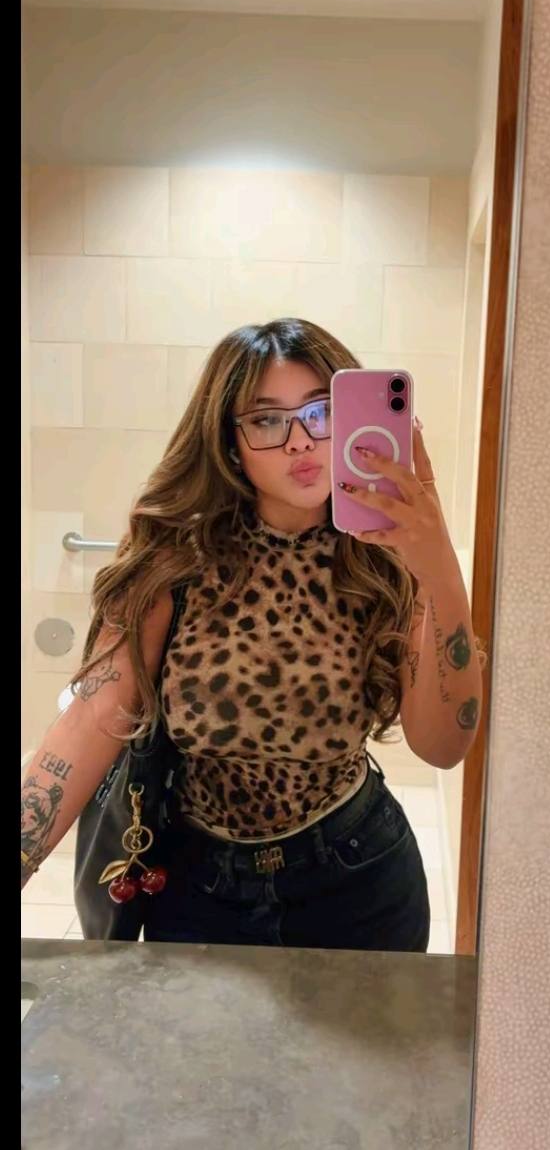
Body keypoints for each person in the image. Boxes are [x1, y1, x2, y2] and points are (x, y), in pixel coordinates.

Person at [21, 319, 484, 952]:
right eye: (267, 420)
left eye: (322, 412)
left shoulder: (385, 556)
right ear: (230, 441)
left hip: (358, 881)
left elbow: (443, 746)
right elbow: (91, 719)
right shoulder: (176, 556)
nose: (300, 441)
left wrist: (439, 571)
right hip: (199, 888)